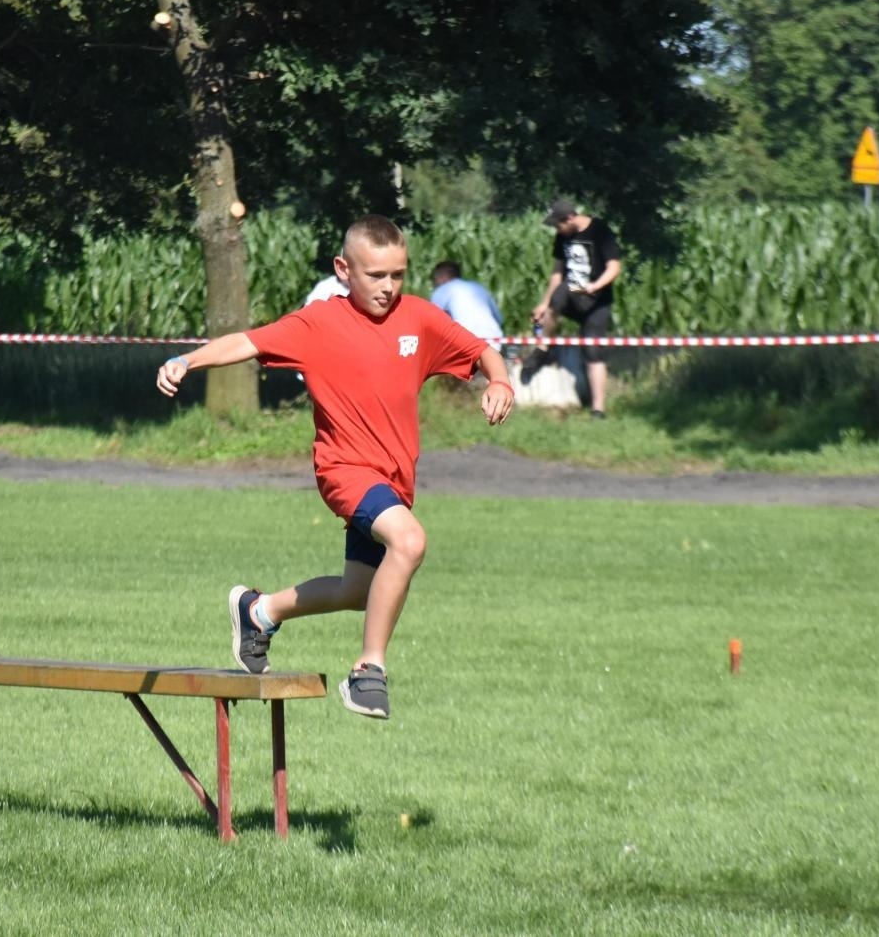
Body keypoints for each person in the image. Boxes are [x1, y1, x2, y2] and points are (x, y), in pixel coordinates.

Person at [156, 215, 515, 719]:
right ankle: (369, 670)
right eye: (376, 276)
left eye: (398, 274)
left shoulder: (420, 319)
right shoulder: (318, 323)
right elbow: (246, 342)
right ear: (344, 270)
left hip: (394, 480)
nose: (388, 287)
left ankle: (260, 612)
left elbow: (482, 352)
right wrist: (187, 361)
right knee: (409, 542)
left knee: (358, 592)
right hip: (345, 471)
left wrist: (500, 382)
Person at [527, 198, 622, 418]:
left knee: (593, 352)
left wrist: (595, 286)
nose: (557, 229)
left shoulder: (600, 231)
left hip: (597, 300)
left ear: (570, 218)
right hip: (573, 290)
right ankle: (543, 348)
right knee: (558, 297)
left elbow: (614, 267)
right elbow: (557, 272)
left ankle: (598, 409)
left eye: (558, 224)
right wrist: (543, 303)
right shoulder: (563, 236)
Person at [429, 261, 505, 351]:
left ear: (441, 276)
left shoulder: (442, 290)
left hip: (465, 343)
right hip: (493, 341)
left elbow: (431, 321)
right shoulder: (478, 287)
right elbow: (499, 318)